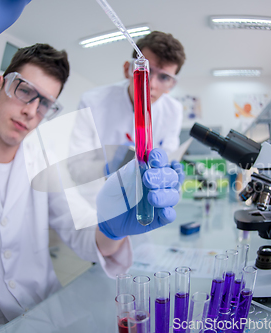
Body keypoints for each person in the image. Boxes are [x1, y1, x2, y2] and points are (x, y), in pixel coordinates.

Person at [0, 1, 182, 332]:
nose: (31, 111)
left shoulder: (45, 160)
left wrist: (112, 229)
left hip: (47, 316)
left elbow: (81, 236)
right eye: (24, 90)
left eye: (45, 104)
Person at [68, 31, 186, 205]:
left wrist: (168, 175)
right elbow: (76, 166)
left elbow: (170, 154)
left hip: (144, 203)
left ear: (171, 85)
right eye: (146, 71)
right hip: (96, 203)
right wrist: (106, 166)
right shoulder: (93, 102)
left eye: (164, 77)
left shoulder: (173, 111)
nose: (151, 84)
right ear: (127, 70)